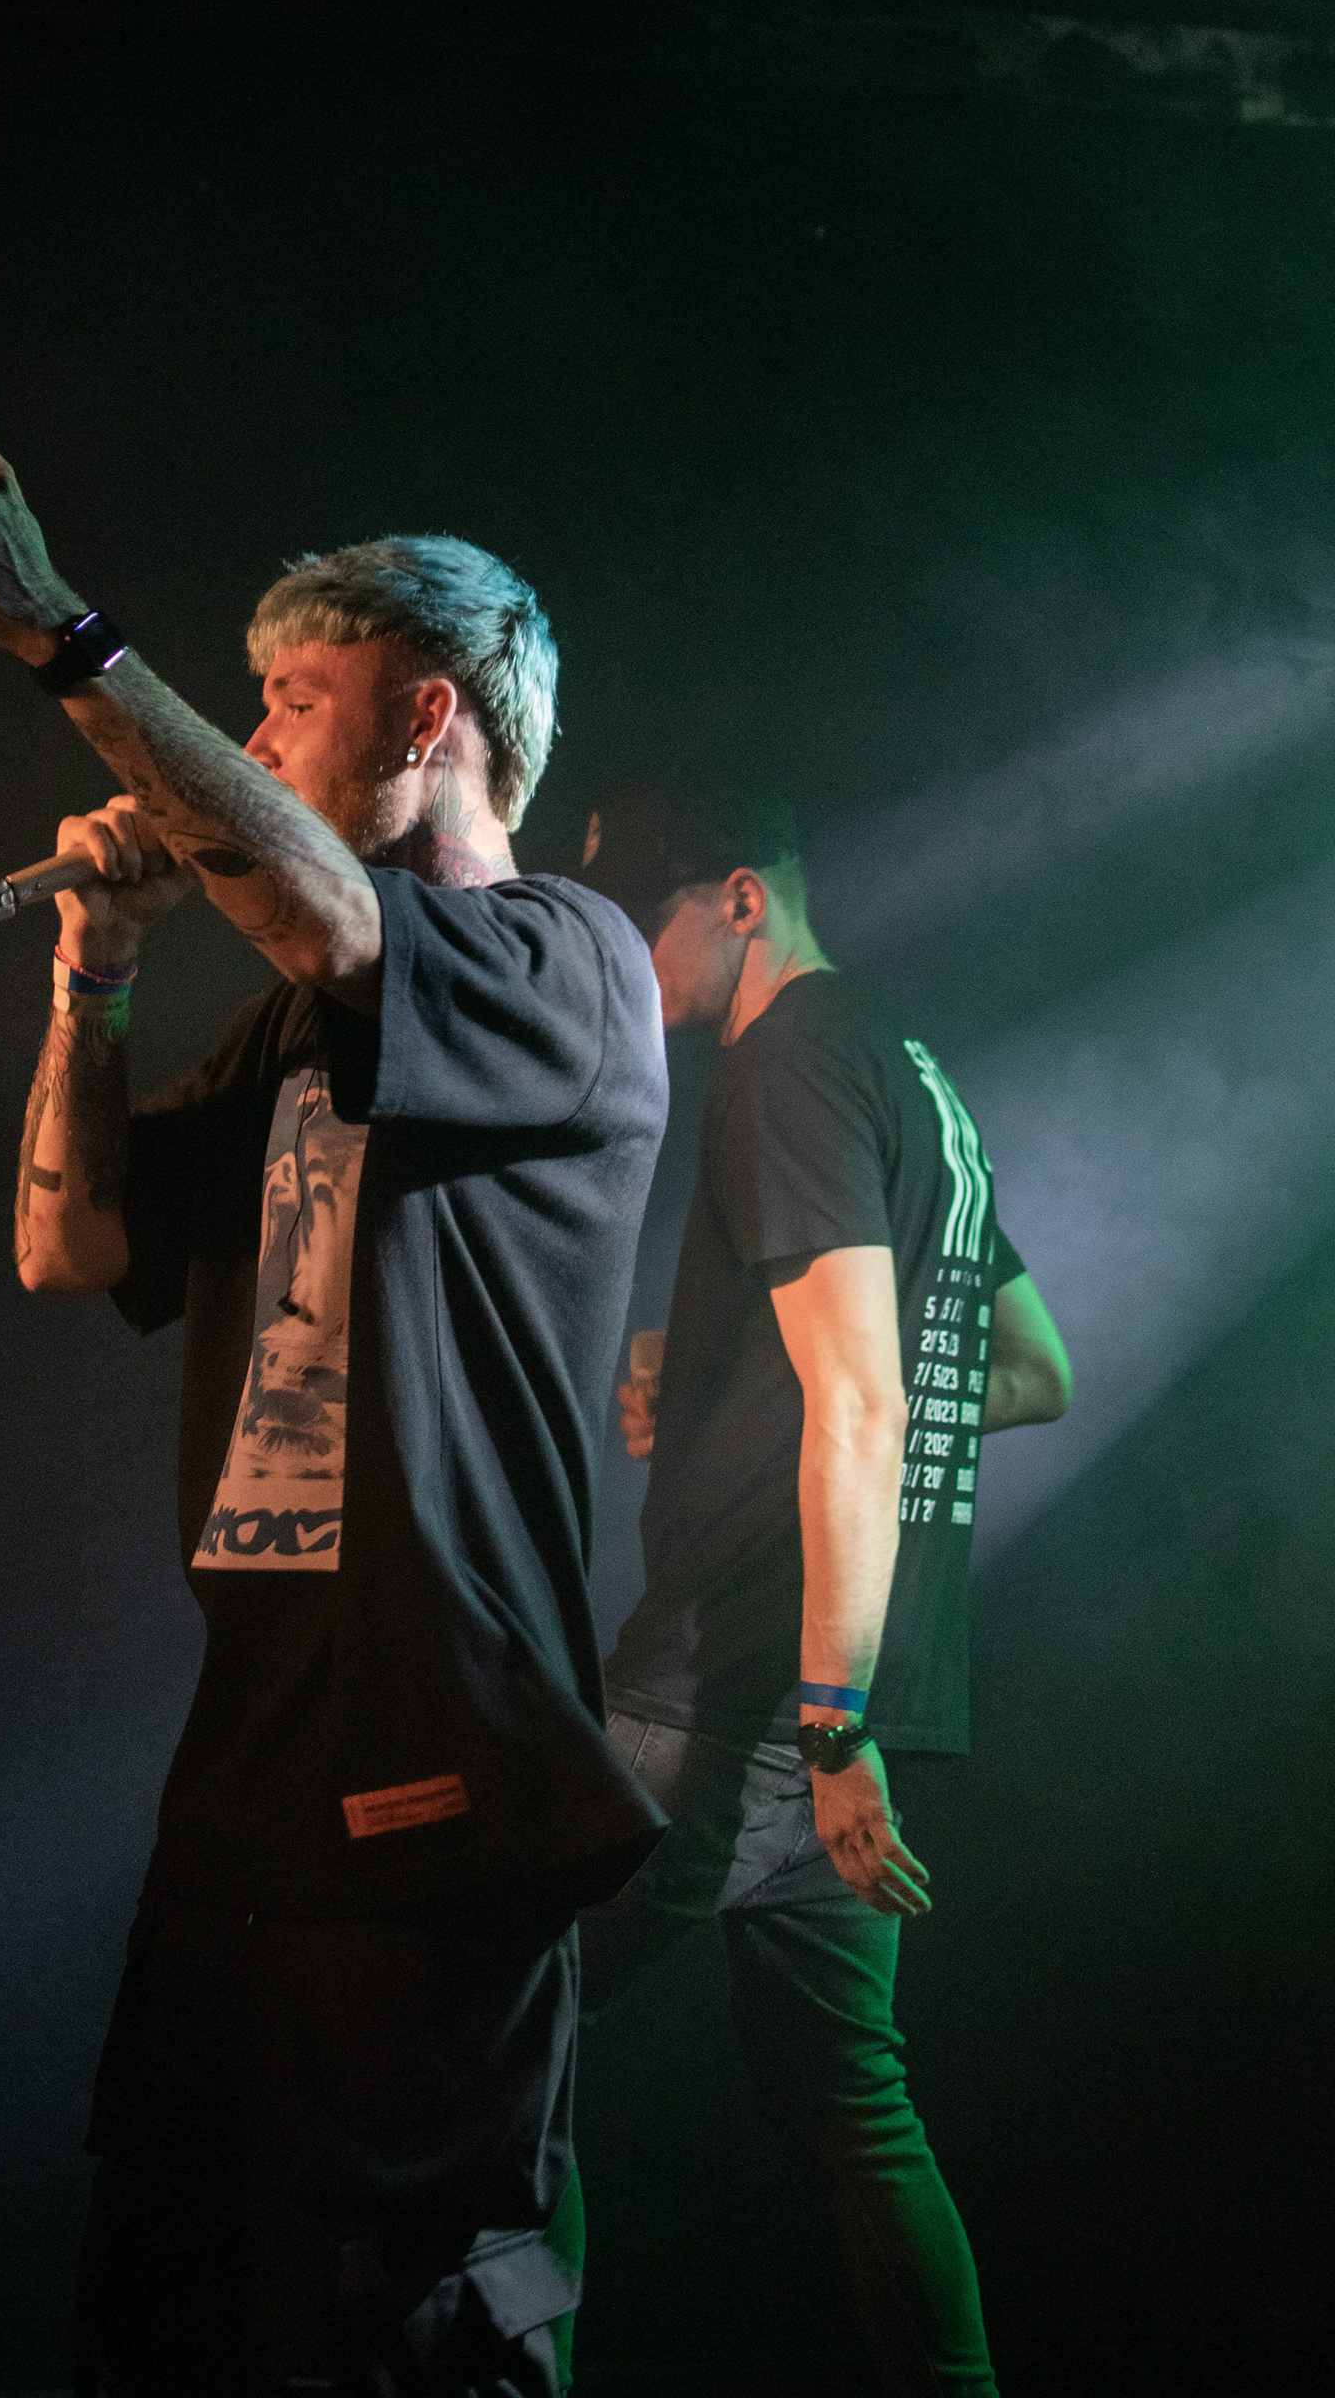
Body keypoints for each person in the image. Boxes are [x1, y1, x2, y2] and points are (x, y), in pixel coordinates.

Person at [0, 429, 671, 2398]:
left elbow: (330, 920)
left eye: (292, 701)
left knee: (387, 2325)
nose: (248, 740)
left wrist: (66, 642)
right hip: (248, 1765)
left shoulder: (571, 965)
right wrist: (94, 968)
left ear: (428, 716)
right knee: (165, 2301)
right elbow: (70, 1249)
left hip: (440, 1757)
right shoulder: (284, 1029)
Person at [575, 763, 1071, 2398]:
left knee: (487, 2042)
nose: (631, 957)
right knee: (854, 2108)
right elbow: (1025, 1369)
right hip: (837, 1702)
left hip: (743, 1690)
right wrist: (727, 1378)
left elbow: (864, 1399)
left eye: (647, 920)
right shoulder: (907, 1070)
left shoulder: (782, 1062)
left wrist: (830, 1718)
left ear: (741, 899)